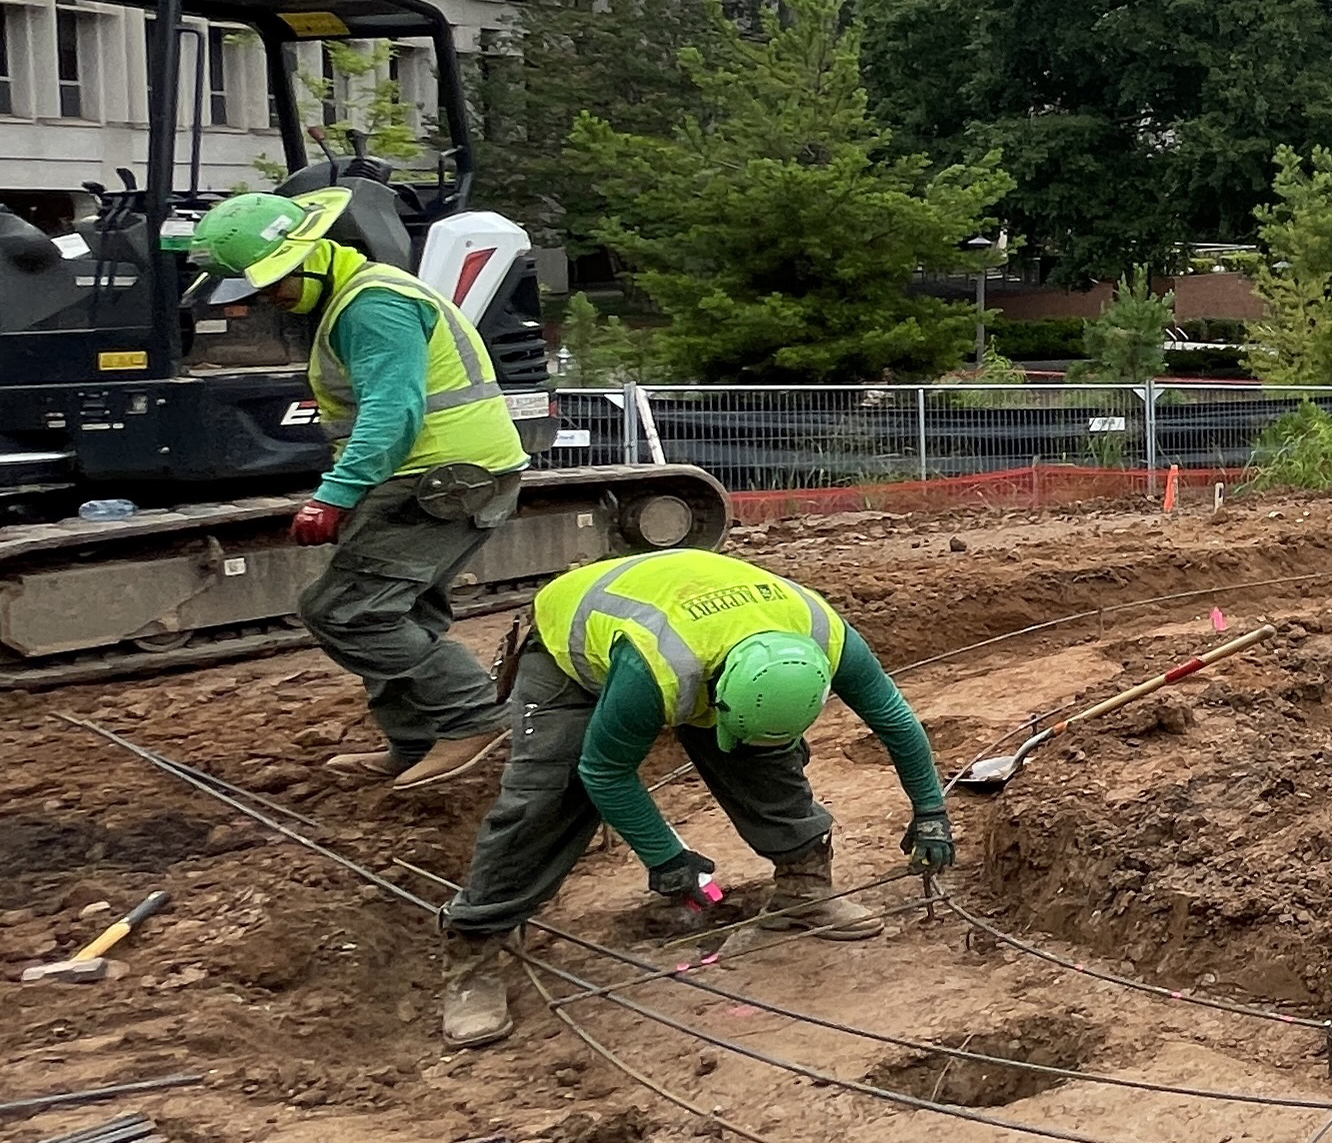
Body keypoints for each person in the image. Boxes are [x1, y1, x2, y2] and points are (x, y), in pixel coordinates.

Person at [432, 546, 956, 1047]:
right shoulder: (658, 669)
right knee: (551, 791)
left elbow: (898, 725)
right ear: (719, 695)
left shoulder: (825, 639)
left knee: (764, 759)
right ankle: (475, 947)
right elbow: (606, 770)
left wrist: (931, 811)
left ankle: (804, 890)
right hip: (578, 649)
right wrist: (664, 857)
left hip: (704, 625)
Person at [184, 189, 527, 790]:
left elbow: (392, 412)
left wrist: (336, 493)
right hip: (437, 472)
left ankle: (471, 716)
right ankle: (417, 740)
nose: (270, 297)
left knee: (346, 612)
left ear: (315, 254)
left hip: (440, 476)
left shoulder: (374, 305)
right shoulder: (354, 298)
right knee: (398, 610)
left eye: (276, 283)